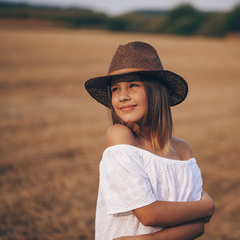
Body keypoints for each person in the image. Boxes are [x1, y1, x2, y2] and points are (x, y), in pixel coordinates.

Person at [85, 41, 215, 240]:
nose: (122, 97)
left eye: (133, 85)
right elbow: (149, 214)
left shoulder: (182, 150)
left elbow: (197, 227)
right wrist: (206, 206)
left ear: (156, 91)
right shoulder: (119, 136)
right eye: (115, 90)